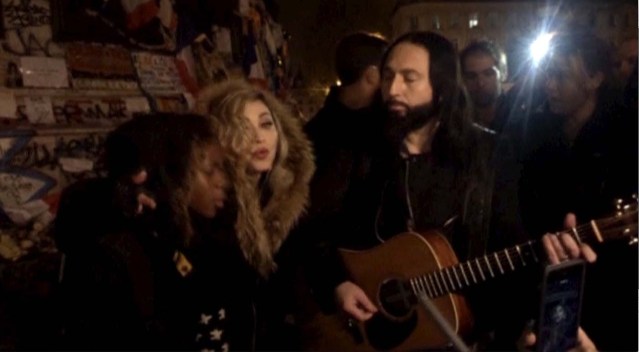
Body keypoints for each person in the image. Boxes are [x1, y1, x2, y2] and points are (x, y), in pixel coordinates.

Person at [311, 30, 597, 351]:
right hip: (373, 334)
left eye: (409, 78)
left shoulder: (488, 152)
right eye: (388, 76)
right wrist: (337, 283)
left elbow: (511, 242)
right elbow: (314, 229)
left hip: (465, 336)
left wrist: (549, 265)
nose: (393, 89)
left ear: (442, 87)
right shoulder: (359, 150)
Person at [55, 113, 229, 350]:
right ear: (166, 174)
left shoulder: (200, 232)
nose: (223, 181)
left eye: (223, 168)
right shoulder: (119, 258)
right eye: (210, 170)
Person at [518, 30, 638, 351]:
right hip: (550, 291)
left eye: (561, 76)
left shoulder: (628, 136)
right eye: (548, 73)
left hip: (613, 297)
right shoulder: (538, 134)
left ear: (595, 78)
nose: (549, 84)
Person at [193, 79, 315, 350]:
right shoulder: (212, 203)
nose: (260, 138)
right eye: (242, 127)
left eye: (266, 124)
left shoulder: (289, 193)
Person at [460, 39, 508, 131]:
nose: (480, 83)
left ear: (503, 74)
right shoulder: (455, 123)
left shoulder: (523, 119)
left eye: (488, 74)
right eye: (471, 76)